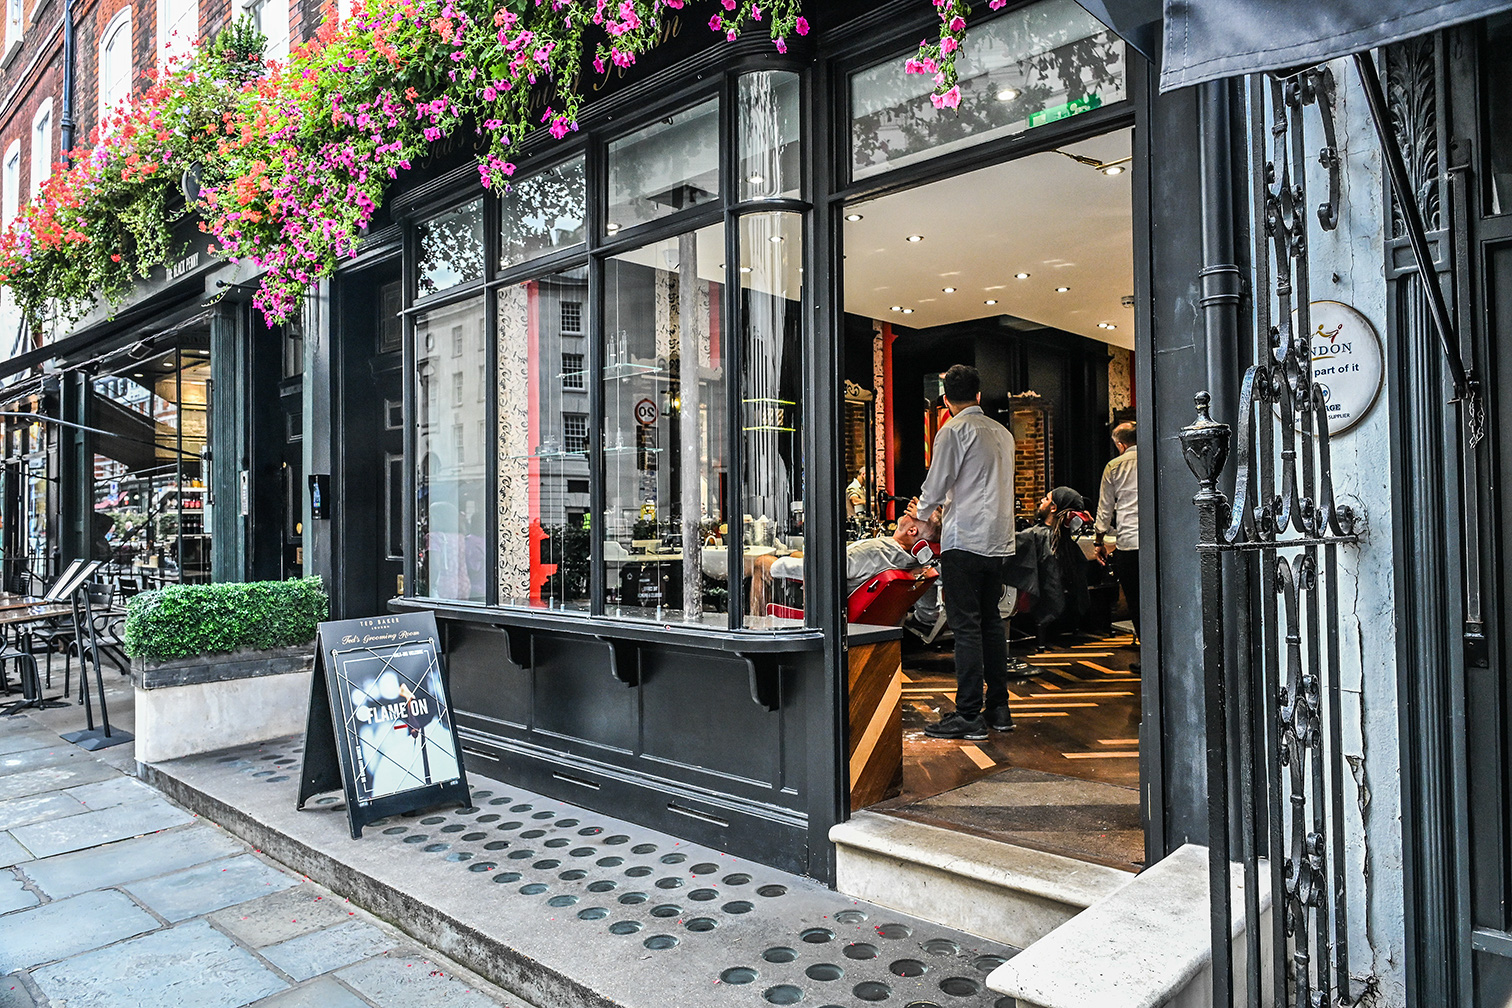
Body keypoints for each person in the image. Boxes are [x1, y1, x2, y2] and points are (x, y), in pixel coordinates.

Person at [916, 365, 1017, 741]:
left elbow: (937, 483)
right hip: (1000, 542)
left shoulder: (953, 430)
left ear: (946, 400)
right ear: (978, 395)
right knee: (991, 623)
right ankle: (1000, 709)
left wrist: (921, 517)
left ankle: (969, 714)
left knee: (966, 628)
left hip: (966, 542)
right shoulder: (1002, 433)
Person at [751, 512, 940, 615]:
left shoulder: (874, 551)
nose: (911, 506)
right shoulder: (913, 560)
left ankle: (754, 627)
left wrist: (776, 565)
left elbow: (825, 571)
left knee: (760, 562)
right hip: (853, 585)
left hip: (828, 604)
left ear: (913, 530)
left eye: (918, 511)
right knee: (797, 553)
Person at [1007, 486, 1091, 655]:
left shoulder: (1038, 535)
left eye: (1046, 499)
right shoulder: (1061, 538)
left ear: (1053, 507)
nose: (1041, 501)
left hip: (1038, 599)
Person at [1095, 421, 1141, 657]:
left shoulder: (1114, 466)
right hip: (1156, 544)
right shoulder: (1152, 459)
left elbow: (1105, 509)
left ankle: (1147, 655)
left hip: (1129, 542)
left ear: (1120, 445)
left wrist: (1098, 541)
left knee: (1135, 600)